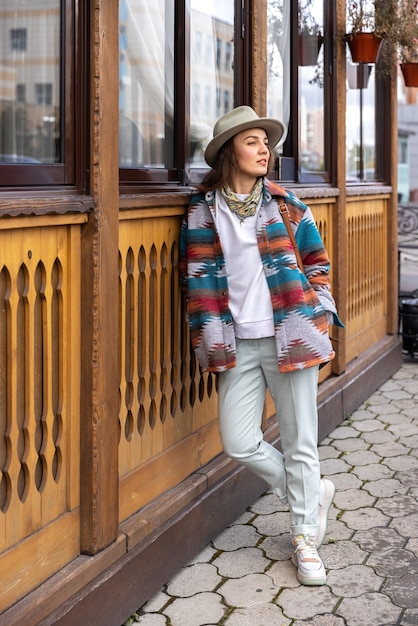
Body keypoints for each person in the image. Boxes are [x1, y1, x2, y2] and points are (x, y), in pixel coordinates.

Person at [180, 105, 343, 586]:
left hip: (290, 336)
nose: (263, 149)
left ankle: (304, 538)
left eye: (265, 142)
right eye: (251, 141)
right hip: (236, 342)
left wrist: (320, 311)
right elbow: (196, 281)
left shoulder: (288, 204)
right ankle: (311, 495)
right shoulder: (201, 209)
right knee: (238, 439)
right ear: (230, 149)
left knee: (300, 440)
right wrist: (206, 336)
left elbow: (317, 263)